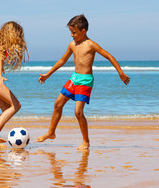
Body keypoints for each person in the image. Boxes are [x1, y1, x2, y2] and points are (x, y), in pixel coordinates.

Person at [37, 14, 130, 150]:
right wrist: (48, 74)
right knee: (57, 104)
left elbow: (109, 56)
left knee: (78, 112)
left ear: (83, 31)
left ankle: (86, 142)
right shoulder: (72, 45)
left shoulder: (91, 45)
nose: (72, 35)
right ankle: (51, 132)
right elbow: (62, 60)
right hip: (74, 78)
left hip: (85, 81)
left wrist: (120, 73)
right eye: (70, 32)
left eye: (74, 32)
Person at [0, 21, 29, 147]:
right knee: (16, 105)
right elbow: (1, 58)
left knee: (6, 109)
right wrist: (0, 76)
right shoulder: (2, 47)